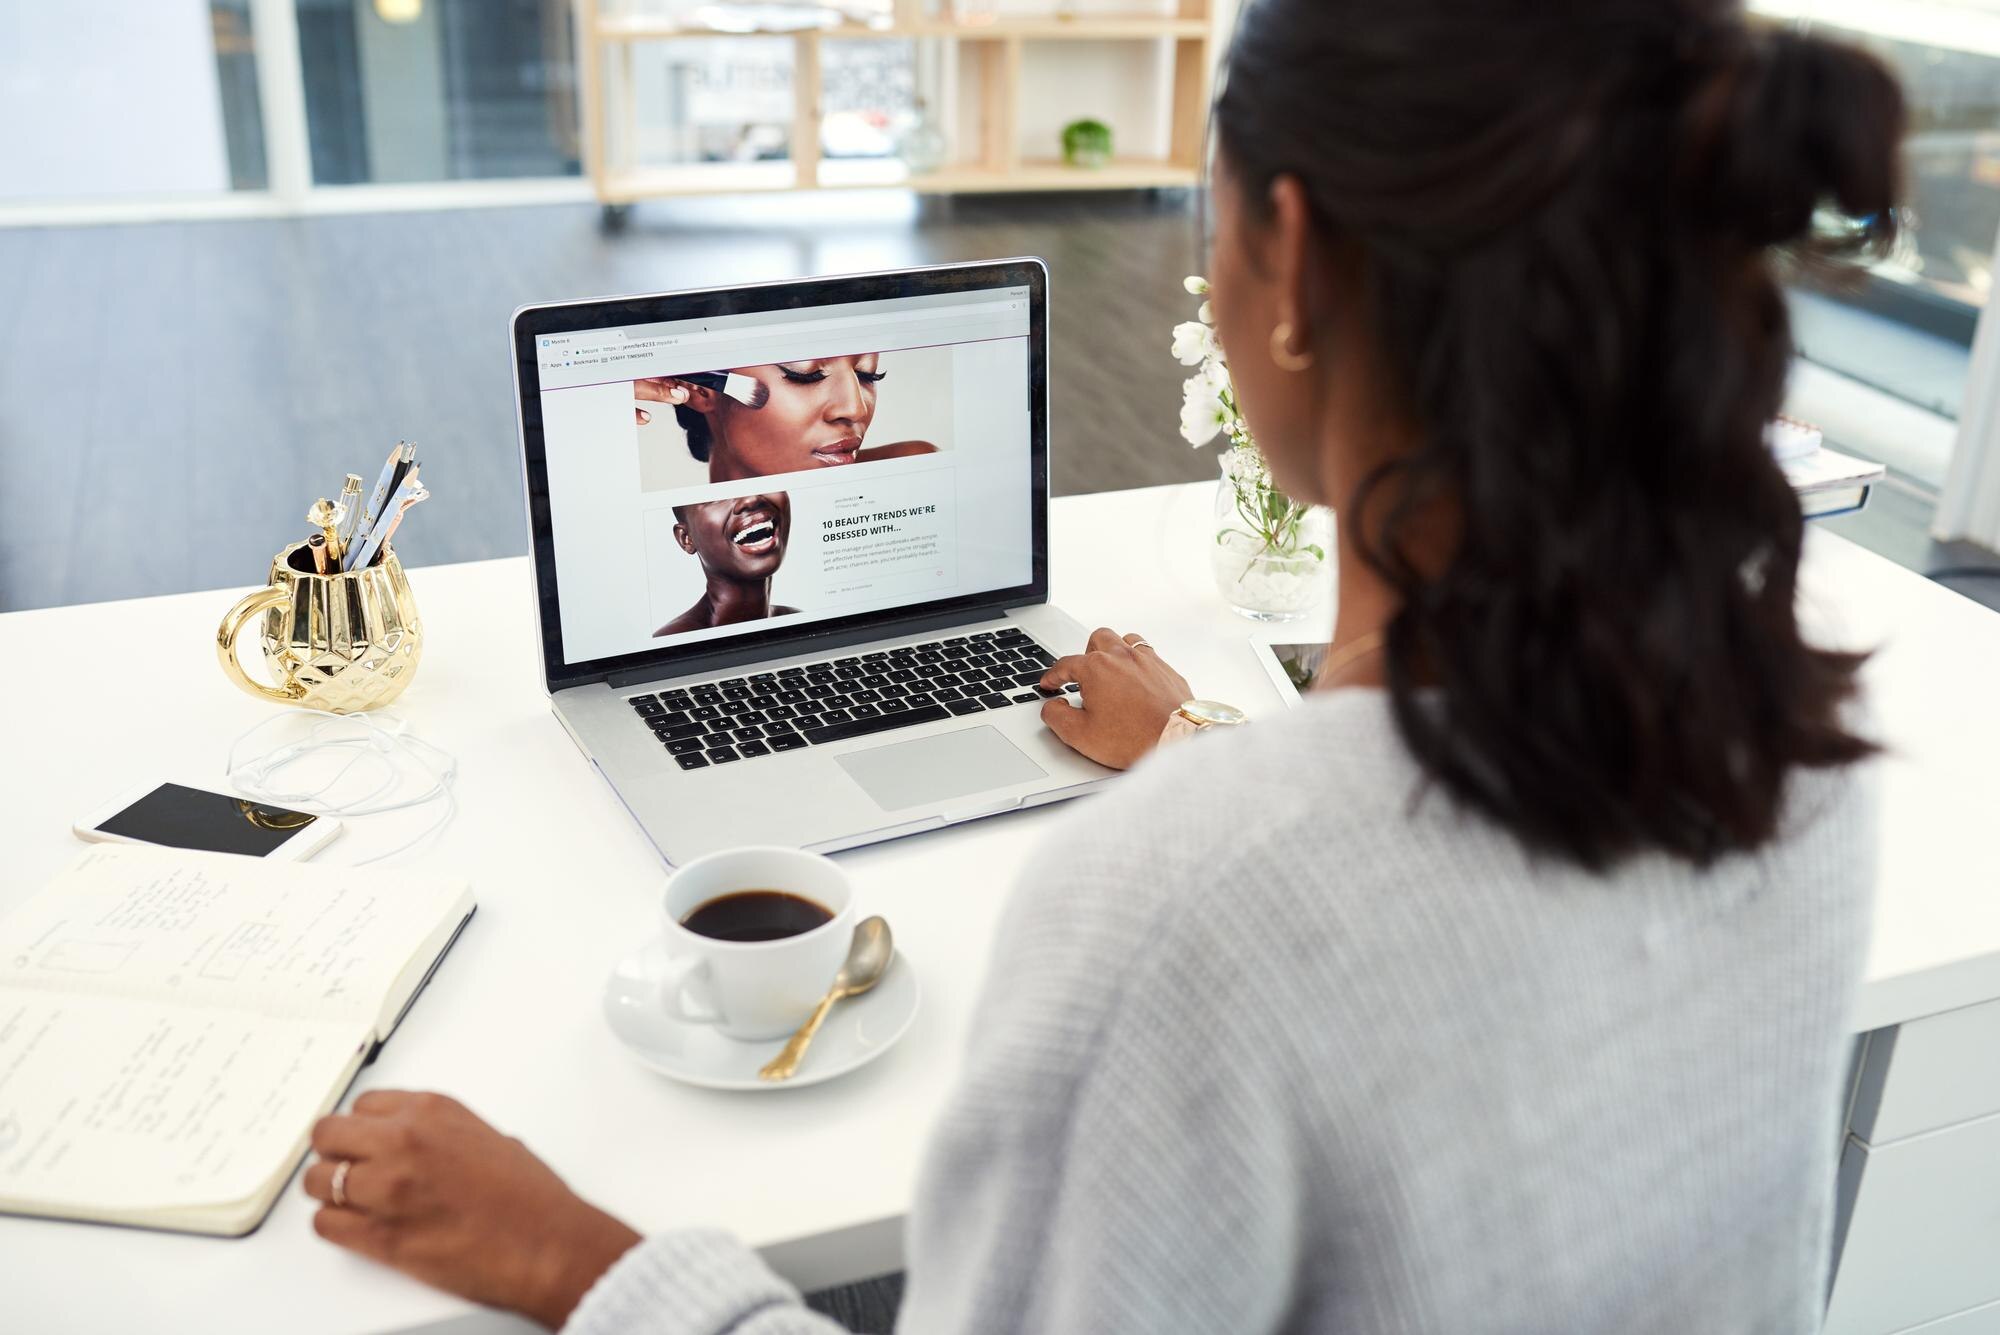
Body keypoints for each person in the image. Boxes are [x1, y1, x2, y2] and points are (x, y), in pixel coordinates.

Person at [301, 0, 1902, 1329]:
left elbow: (1313, 897)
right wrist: (1209, 750)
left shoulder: (1186, 902)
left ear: (1289, 253)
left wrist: (577, 1258)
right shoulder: (1789, 752)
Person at [635, 354, 938, 484]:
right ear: (700, 391)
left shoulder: (915, 470)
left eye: (867, 374)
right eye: (805, 376)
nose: (855, 408)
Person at [653, 493, 800, 637]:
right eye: (716, 496)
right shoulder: (673, 646)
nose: (751, 499)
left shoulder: (797, 621)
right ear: (686, 538)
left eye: (760, 479)